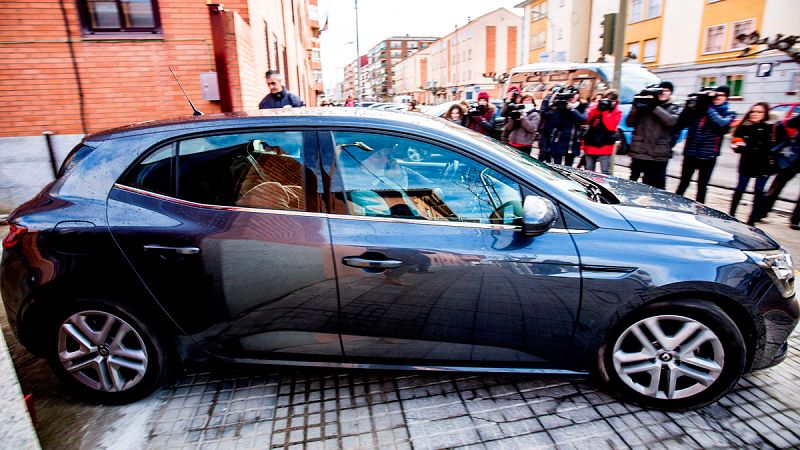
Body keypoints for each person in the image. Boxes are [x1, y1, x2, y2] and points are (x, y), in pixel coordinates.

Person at [675, 85, 736, 203]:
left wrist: (707, 105)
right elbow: (681, 124)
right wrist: (688, 107)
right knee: (683, 182)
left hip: (708, 155)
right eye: (716, 94)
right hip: (691, 153)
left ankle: (700, 210)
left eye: (721, 95)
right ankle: (675, 204)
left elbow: (722, 124)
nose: (717, 97)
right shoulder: (698, 111)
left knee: (702, 186)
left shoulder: (729, 113)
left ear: (727, 98)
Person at [626, 81, 681, 188]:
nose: (663, 93)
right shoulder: (644, 106)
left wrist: (654, 107)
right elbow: (629, 122)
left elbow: (671, 122)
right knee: (632, 183)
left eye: (667, 91)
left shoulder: (672, 107)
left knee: (655, 185)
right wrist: (636, 107)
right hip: (640, 151)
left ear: (671, 93)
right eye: (661, 90)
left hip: (658, 155)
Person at [729, 102, 774, 225]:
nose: (755, 114)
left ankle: (753, 219)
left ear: (765, 114)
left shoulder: (771, 127)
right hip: (747, 162)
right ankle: (731, 214)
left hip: (764, 164)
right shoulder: (744, 126)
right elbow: (736, 145)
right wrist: (738, 146)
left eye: (759, 112)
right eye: (753, 111)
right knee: (740, 189)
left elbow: (775, 145)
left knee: (759, 190)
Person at [758, 113, 800, 229]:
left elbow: (788, 123)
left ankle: (761, 212)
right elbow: (788, 124)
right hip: (795, 156)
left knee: (778, 184)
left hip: (795, 155)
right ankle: (795, 220)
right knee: (778, 183)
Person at [540, 88, 587, 166]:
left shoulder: (581, 106)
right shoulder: (561, 105)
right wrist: (559, 110)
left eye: (575, 94)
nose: (573, 97)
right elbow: (556, 123)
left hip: (573, 141)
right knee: (557, 166)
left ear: (578, 95)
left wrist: (571, 110)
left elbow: (583, 118)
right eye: (571, 95)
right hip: (559, 139)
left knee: (569, 167)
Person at [582, 90, 622, 175]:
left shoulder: (617, 111)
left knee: (605, 172)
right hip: (591, 143)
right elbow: (587, 119)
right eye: (608, 99)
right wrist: (597, 107)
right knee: (589, 170)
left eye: (613, 100)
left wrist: (605, 112)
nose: (610, 102)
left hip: (605, 145)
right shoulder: (596, 107)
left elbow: (610, 127)